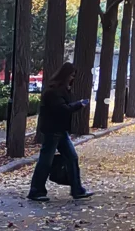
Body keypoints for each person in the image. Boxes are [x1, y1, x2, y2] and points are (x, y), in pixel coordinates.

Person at [28, 63, 92, 201]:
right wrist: (79, 104)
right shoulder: (53, 91)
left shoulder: (60, 90)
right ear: (65, 76)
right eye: (71, 75)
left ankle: (77, 189)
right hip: (53, 130)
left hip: (60, 131)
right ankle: (36, 190)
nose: (72, 78)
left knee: (71, 157)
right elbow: (63, 109)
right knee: (46, 160)